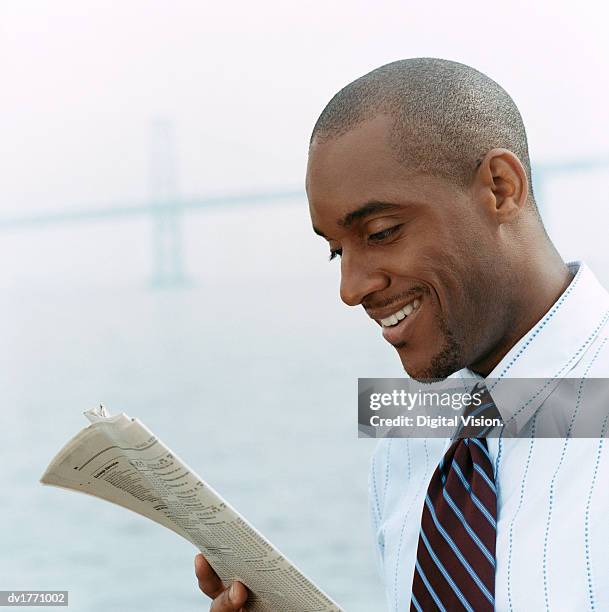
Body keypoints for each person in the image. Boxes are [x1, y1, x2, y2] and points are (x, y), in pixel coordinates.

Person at [195, 58, 609, 610]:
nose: (350, 288)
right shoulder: (407, 438)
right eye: (337, 250)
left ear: (500, 188)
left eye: (382, 232)